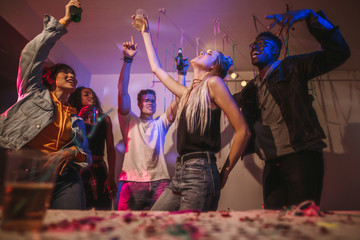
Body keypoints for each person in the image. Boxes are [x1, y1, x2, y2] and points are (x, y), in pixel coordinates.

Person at [232, 9, 351, 209]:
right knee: (274, 225)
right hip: (271, 163)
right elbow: (223, 100)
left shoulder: (292, 67)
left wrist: (310, 16)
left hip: (302, 157)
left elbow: (339, 52)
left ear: (275, 51)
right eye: (253, 45)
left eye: (262, 44)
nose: (255, 47)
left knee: (303, 222)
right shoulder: (251, 88)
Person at [138, 16, 251, 211]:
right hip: (180, 172)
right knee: (154, 222)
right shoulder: (188, 94)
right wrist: (145, 32)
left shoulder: (214, 84)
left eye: (208, 53)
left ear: (213, 67)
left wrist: (225, 171)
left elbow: (243, 131)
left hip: (201, 171)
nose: (201, 52)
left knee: (188, 232)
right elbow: (156, 69)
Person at [0, 0, 91, 210]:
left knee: (69, 229)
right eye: (65, 72)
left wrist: (72, 153)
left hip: (66, 178)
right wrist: (65, 21)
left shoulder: (74, 117)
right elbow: (31, 55)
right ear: (51, 78)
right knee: (23, 230)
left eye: (74, 75)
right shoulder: (33, 93)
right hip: (28, 172)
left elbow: (86, 153)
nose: (71, 76)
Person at [117, 36, 187, 210]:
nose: (150, 103)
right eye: (146, 100)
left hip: (160, 182)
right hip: (132, 182)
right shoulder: (130, 121)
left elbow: (180, 99)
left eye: (153, 100)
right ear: (139, 103)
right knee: (124, 228)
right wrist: (127, 60)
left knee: (161, 230)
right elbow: (122, 92)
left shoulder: (160, 123)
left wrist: (181, 74)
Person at [68, 87, 117, 210]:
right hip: (78, 167)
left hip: (99, 167)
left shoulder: (104, 119)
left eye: (93, 95)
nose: (91, 97)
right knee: (78, 206)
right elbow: (69, 141)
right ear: (78, 98)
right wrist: (79, 116)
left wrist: (111, 176)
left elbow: (111, 149)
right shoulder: (72, 118)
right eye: (86, 95)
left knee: (102, 207)